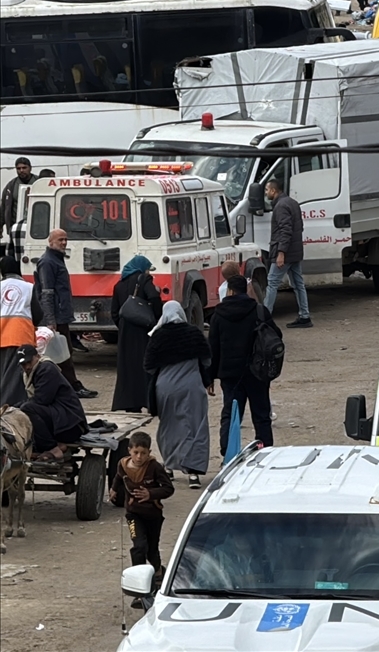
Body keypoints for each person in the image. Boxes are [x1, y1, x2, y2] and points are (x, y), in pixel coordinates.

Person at [209, 275, 278, 460]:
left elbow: (213, 348)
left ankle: (228, 453)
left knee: (231, 415)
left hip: (230, 374)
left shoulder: (218, 315)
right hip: (257, 372)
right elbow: (275, 336)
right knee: (261, 414)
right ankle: (265, 451)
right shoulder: (259, 311)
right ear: (246, 290)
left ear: (230, 291)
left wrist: (209, 377)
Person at [144, 302, 211, 489]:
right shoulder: (194, 333)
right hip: (192, 387)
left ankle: (169, 466)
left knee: (169, 426)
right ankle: (193, 473)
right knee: (195, 426)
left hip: (165, 388)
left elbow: (149, 366)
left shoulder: (158, 336)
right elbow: (206, 360)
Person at [109, 431, 174, 607]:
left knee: (151, 550)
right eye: (136, 452)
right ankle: (139, 590)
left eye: (143, 453)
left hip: (153, 516)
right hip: (133, 515)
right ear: (129, 450)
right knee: (139, 547)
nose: (139, 457)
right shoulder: (123, 465)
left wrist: (150, 494)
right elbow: (118, 477)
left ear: (149, 452)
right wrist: (113, 490)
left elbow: (168, 488)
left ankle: (158, 574)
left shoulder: (155, 467)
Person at [36, 229, 95, 398]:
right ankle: (72, 387)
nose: (64, 243)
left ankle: (67, 386)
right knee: (63, 353)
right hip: (56, 317)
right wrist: (50, 319)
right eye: (60, 240)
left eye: (65, 239)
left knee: (64, 352)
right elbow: (46, 292)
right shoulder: (48, 262)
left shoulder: (56, 259)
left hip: (60, 315)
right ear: (51, 241)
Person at [18, 343, 87, 462]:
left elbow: (42, 400)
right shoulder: (28, 374)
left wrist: (18, 407)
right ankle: (44, 446)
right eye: (24, 364)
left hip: (71, 425)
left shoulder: (46, 369)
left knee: (27, 408)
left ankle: (52, 448)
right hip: (57, 420)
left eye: (29, 362)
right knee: (21, 409)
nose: (27, 366)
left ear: (37, 357)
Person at [110, 256, 162, 413]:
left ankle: (131, 404)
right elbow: (153, 296)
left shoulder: (119, 284)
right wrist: (155, 318)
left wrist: (123, 326)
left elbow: (114, 312)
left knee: (128, 368)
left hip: (125, 333)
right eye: (148, 269)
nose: (148, 272)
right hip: (143, 330)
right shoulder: (144, 279)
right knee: (145, 365)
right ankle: (149, 402)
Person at [263, 179, 312, 328]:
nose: (265, 193)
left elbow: (285, 231)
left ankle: (264, 318)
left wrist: (281, 253)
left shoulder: (281, 206)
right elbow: (299, 227)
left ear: (273, 191)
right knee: (298, 284)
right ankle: (305, 316)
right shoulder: (292, 203)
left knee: (272, 282)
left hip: (286, 253)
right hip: (295, 251)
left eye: (267, 190)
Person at [0, 256, 41, 407]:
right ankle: (9, 410)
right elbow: (38, 314)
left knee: (3, 375)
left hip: (1, 337)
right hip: (20, 336)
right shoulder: (28, 287)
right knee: (15, 379)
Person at [1, 157, 36, 240]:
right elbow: (3, 207)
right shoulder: (11, 186)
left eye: (24, 168)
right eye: (18, 168)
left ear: (30, 168)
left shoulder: (39, 182)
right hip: (16, 227)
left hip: (37, 226)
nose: (21, 170)